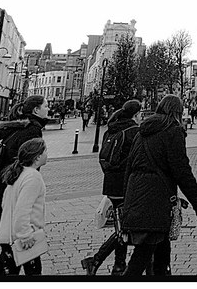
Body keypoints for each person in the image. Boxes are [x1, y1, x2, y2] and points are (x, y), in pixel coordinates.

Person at [121, 95, 197, 276]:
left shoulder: (142, 130)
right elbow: (181, 169)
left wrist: (126, 197)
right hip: (156, 199)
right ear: (177, 111)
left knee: (161, 249)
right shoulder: (173, 130)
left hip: (136, 193)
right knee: (143, 254)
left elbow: (129, 166)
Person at [0, 96, 49, 274]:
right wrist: (25, 232)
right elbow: (23, 206)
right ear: (36, 110)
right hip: (14, 203)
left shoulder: (19, 128)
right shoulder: (31, 131)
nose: (48, 109)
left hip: (5, 192)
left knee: (15, 259)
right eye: (45, 106)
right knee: (14, 257)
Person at [82, 99, 142, 275]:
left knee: (120, 226)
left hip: (111, 185)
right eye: (140, 114)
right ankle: (97, 259)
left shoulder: (111, 129)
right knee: (125, 228)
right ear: (136, 115)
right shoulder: (134, 132)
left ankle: (119, 265)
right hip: (126, 185)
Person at [0, 137, 48, 275]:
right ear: (37, 157)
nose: (47, 154)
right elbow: (22, 209)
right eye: (45, 151)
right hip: (23, 239)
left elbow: (6, 203)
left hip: (9, 235)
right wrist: (25, 235)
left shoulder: (19, 173)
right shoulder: (33, 177)